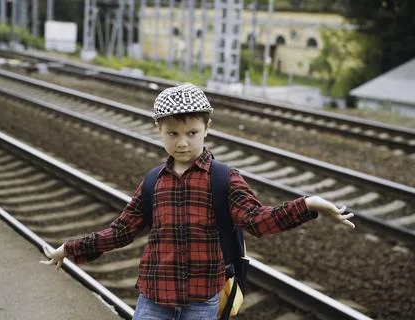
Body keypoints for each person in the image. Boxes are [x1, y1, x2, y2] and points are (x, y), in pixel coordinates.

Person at [40, 84, 355, 319]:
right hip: (153, 298)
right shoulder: (153, 182)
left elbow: (259, 220)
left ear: (207, 128)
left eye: (192, 132)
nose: (182, 142)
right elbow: (121, 231)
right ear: (159, 130)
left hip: (202, 301)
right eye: (172, 133)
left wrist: (309, 204)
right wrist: (70, 248)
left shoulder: (224, 179)